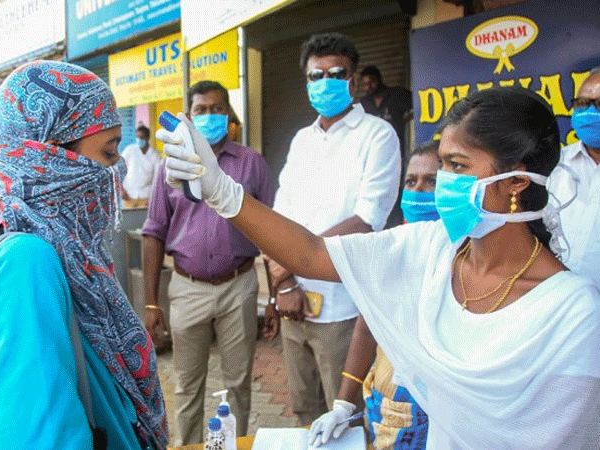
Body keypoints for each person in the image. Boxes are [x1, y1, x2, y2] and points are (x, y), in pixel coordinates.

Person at [158, 86, 600, 449]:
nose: (444, 183)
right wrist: (221, 191)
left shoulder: (571, 313)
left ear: (516, 181)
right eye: (443, 164)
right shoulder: (429, 248)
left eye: (457, 166)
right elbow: (310, 253)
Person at [0, 60, 168, 450]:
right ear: (48, 156)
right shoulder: (25, 263)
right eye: (108, 152)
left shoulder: (62, 246)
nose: (117, 169)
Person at [266, 32, 401, 425]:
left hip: (343, 306)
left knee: (344, 417)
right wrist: (284, 283)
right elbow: (279, 217)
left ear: (353, 81)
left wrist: (293, 262)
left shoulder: (377, 136)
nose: (325, 82)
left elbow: (366, 220)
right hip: (293, 303)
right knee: (304, 410)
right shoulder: (301, 140)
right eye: (316, 75)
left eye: (336, 73)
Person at [142, 80, 275, 446]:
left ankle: (235, 444)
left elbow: (270, 231)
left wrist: (275, 296)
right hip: (188, 288)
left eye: (217, 109)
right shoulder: (171, 166)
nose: (209, 116)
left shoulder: (251, 163)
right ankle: (188, 445)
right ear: (188, 116)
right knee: (187, 386)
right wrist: (151, 303)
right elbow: (153, 232)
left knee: (238, 384)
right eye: (200, 109)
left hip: (239, 285)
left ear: (229, 114)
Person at [309, 141, 440, 449]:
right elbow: (366, 328)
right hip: (388, 412)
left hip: (439, 417)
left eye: (431, 182)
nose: (418, 191)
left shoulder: (470, 257)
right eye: (411, 182)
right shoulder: (391, 248)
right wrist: (343, 405)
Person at [547, 67, 600, 287]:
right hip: (557, 295)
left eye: (599, 104)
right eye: (582, 103)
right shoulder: (553, 164)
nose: (590, 112)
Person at [358, 65, 413, 155]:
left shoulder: (398, 94)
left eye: (372, 82)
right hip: (375, 153)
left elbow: (418, 107)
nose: (369, 87)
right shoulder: (364, 104)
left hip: (398, 151)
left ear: (379, 79)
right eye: (365, 84)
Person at [120, 125, 160, 207]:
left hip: (146, 198)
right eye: (137, 137)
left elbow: (158, 179)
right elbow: (117, 168)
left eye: (142, 138)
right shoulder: (130, 150)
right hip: (129, 196)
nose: (139, 140)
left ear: (147, 138)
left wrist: (154, 197)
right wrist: (120, 189)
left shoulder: (154, 155)